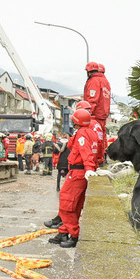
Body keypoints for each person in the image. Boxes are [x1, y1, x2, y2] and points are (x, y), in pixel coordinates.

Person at [46, 109, 98, 248]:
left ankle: (74, 234)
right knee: (74, 205)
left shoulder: (82, 133)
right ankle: (63, 232)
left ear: (77, 122)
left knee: (67, 203)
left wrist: (88, 169)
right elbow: (72, 146)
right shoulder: (90, 132)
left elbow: (85, 152)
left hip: (77, 172)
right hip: (79, 172)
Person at [83, 61, 111, 163]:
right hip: (103, 114)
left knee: (93, 137)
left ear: (89, 71)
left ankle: (96, 159)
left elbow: (92, 98)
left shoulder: (94, 81)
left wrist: (87, 113)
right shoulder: (106, 82)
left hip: (95, 114)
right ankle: (102, 158)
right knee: (101, 137)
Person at [75, 100, 104, 168]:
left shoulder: (87, 125)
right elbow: (100, 143)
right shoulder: (96, 124)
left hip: (87, 160)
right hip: (95, 158)